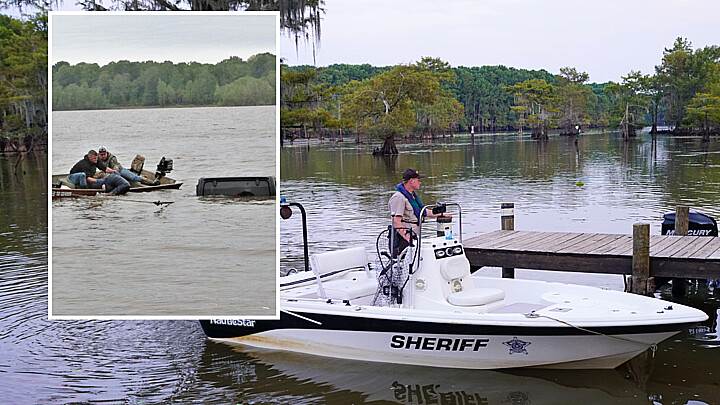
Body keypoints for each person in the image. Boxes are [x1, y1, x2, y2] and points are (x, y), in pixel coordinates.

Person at [388, 167, 446, 256]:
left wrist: (441, 214)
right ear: (411, 181)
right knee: (405, 265)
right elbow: (396, 221)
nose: (420, 182)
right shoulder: (399, 197)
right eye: (418, 180)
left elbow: (422, 211)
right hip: (402, 240)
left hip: (413, 236)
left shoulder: (412, 197)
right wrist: (408, 237)